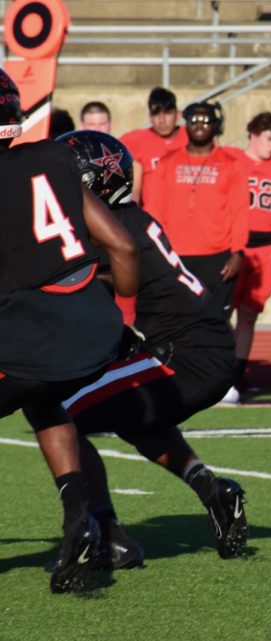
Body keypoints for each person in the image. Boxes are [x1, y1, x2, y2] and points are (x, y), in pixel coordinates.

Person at [56, 130, 248, 566]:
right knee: (135, 418)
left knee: (60, 415)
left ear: (94, 182)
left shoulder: (114, 227)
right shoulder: (130, 218)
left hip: (183, 354)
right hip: (200, 347)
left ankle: (107, 534)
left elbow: (74, 281)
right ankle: (211, 489)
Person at [0, 71, 140, 593]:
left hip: (28, 334)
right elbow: (123, 248)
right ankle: (82, 524)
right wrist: (123, 318)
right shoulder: (57, 157)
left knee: (32, 378)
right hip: (95, 330)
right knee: (43, 400)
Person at [142, 101, 249, 322]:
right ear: (185, 124)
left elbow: (239, 211)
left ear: (216, 125)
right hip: (174, 255)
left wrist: (238, 252)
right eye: (193, 120)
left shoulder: (232, 164)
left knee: (215, 320)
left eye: (206, 120)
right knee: (177, 320)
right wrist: (155, 251)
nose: (199, 125)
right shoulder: (166, 162)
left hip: (217, 258)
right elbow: (154, 209)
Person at [220, 112, 271, 403]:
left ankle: (237, 376)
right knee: (221, 312)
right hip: (234, 246)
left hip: (265, 248)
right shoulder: (229, 158)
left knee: (249, 314)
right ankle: (222, 373)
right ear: (252, 134)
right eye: (268, 138)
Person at [120, 87, 188, 204]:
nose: (162, 120)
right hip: (152, 215)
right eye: (156, 114)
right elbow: (133, 190)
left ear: (177, 114)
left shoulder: (191, 138)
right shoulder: (136, 140)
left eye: (167, 113)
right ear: (150, 117)